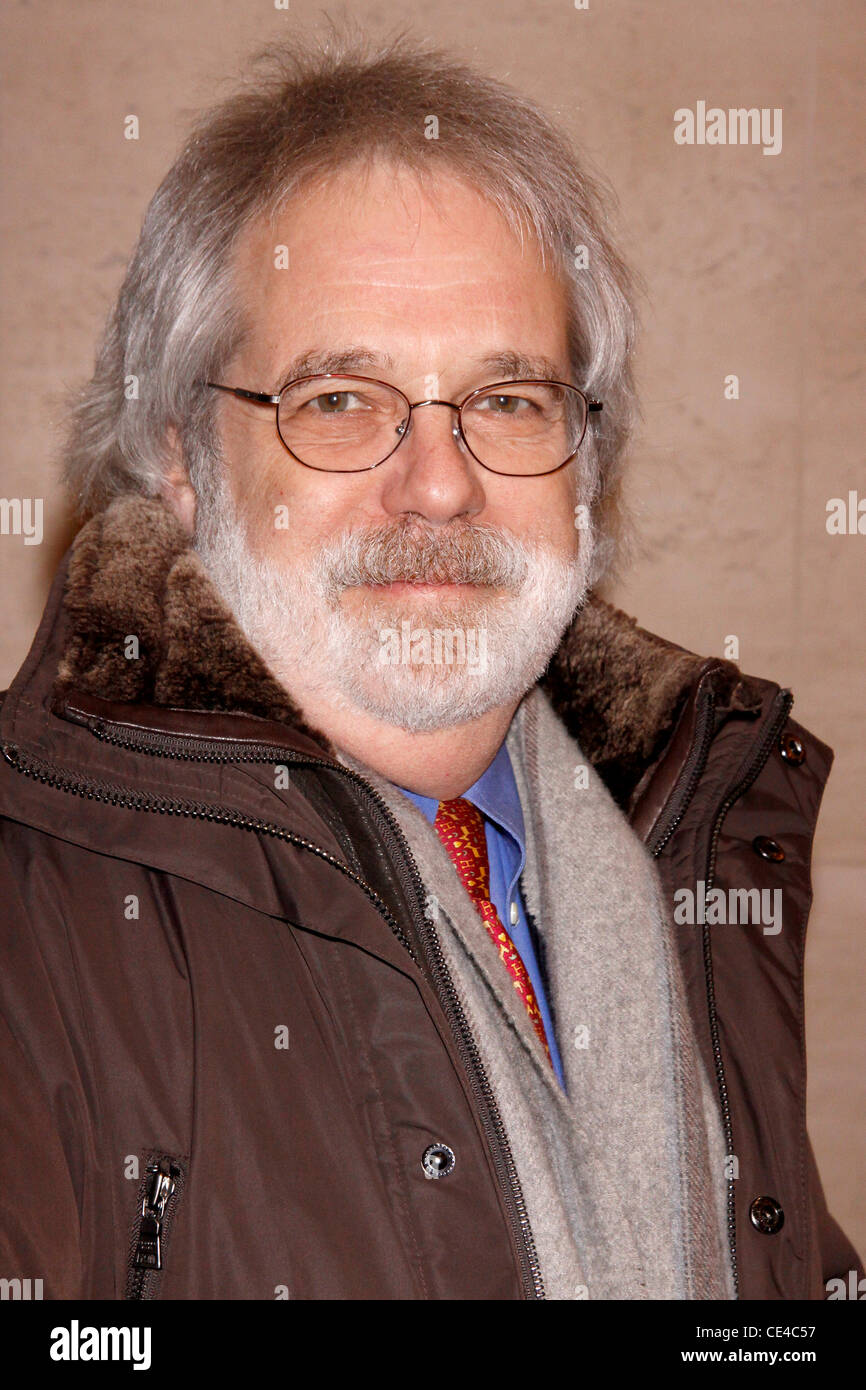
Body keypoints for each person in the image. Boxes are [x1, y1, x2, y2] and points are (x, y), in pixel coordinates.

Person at [0, 36, 859, 1301]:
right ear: (184, 463)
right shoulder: (35, 923)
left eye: (508, 400)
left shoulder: (700, 829)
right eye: (340, 398)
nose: (441, 482)